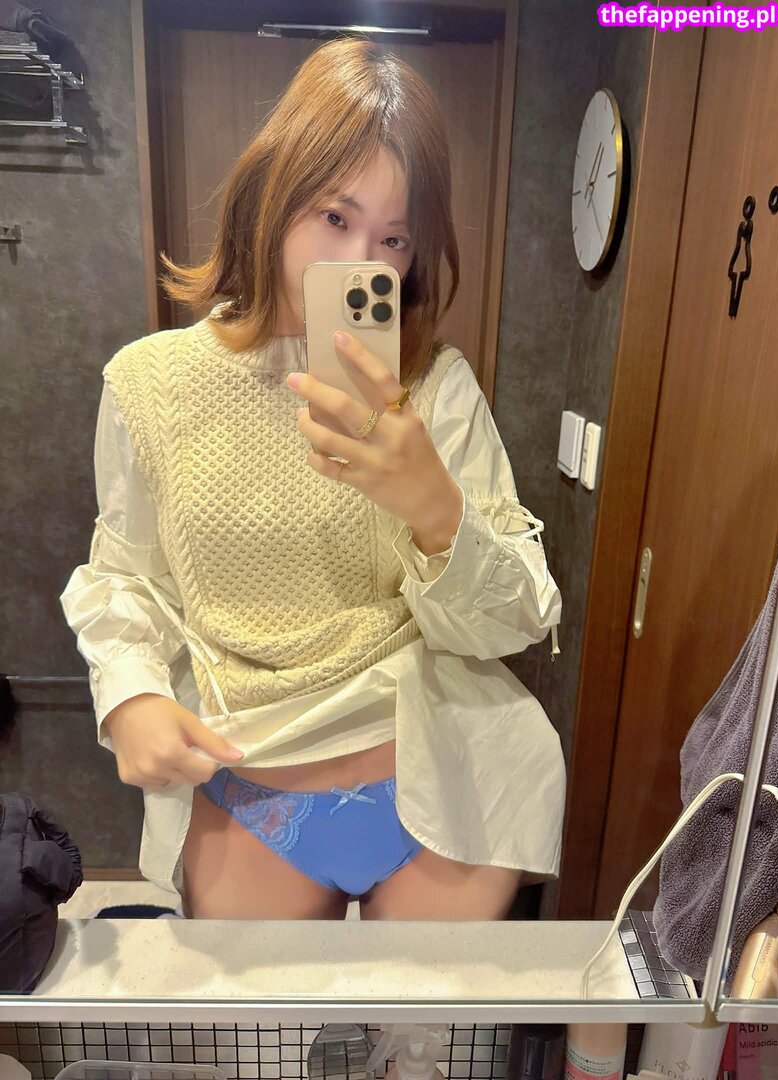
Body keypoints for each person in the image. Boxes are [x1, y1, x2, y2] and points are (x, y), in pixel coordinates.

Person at [60, 36, 565, 921]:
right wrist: (130, 692)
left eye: (393, 237)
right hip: (249, 782)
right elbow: (126, 578)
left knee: (428, 1019)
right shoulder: (151, 383)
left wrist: (436, 512)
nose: (360, 260)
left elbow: (515, 621)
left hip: (444, 770)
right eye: (336, 217)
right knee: (267, 1016)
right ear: (273, 193)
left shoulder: (434, 387)